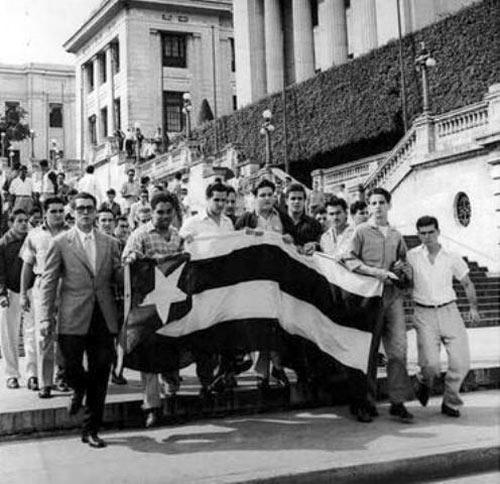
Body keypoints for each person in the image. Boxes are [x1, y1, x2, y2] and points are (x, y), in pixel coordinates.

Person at [38, 192, 122, 448]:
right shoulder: (61, 242)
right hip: (72, 315)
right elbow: (49, 282)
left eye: (90, 208)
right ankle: (79, 388)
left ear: (96, 211)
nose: (85, 213)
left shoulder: (110, 242)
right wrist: (44, 318)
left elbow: (117, 278)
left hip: (103, 315)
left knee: (101, 372)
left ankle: (91, 429)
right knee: (71, 367)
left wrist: (129, 267)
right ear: (71, 213)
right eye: (81, 209)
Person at [344, 187, 414, 423]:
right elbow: (348, 259)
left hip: (392, 298)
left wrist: (402, 270)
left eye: (381, 202)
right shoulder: (361, 232)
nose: (377, 207)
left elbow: (405, 262)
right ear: (369, 206)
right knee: (368, 352)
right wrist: (376, 272)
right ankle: (365, 402)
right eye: (373, 203)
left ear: (389, 205)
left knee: (398, 350)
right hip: (368, 299)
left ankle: (397, 402)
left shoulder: (395, 234)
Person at [408, 216, 479, 418]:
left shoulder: (451, 256)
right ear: (418, 235)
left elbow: (467, 283)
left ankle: (451, 402)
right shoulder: (411, 256)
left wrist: (473, 308)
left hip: (449, 311)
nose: (427, 237)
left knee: (461, 361)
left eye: (431, 232)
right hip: (424, 313)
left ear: (438, 232)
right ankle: (423, 381)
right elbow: (403, 278)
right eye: (423, 233)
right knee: (430, 365)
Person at [122, 192, 182, 428]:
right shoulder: (140, 234)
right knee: (149, 358)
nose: (164, 216)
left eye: (168, 212)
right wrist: (136, 257)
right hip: (148, 306)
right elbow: (127, 258)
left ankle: (171, 394)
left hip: (173, 305)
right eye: (160, 212)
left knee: (172, 352)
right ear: (151, 211)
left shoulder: (178, 236)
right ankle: (152, 407)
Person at [235, 179, 295, 388]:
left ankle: (278, 368)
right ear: (255, 197)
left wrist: (289, 238)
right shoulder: (246, 219)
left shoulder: (283, 218)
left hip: (279, 281)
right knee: (259, 327)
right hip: (255, 281)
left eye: (270, 194)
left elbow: (294, 239)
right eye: (263, 195)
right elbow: (234, 243)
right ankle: (262, 374)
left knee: (277, 326)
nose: (267, 198)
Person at [20, 197, 70, 398]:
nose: (58, 214)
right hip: (42, 285)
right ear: (45, 213)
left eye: (61, 211)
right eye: (54, 211)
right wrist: (24, 294)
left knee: (65, 334)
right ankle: (45, 382)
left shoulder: (71, 234)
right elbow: (27, 266)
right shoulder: (34, 235)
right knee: (44, 334)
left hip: (67, 285)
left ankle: (62, 376)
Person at [0, 209, 35, 390]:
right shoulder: (3, 243)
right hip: (10, 292)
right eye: (19, 220)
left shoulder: (32, 239)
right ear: (11, 222)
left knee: (31, 332)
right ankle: (12, 374)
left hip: (30, 290)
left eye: (25, 220)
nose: (23, 223)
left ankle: (32, 374)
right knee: (8, 334)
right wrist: (2, 293)